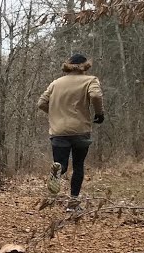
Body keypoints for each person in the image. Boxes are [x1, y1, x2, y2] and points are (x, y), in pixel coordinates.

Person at [38, 53, 105, 209]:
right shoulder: (90, 80)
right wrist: (99, 113)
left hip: (58, 131)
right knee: (78, 165)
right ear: (85, 66)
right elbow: (95, 95)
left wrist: (55, 113)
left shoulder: (55, 83)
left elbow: (41, 103)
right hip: (80, 130)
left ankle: (57, 170)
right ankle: (73, 203)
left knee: (61, 164)